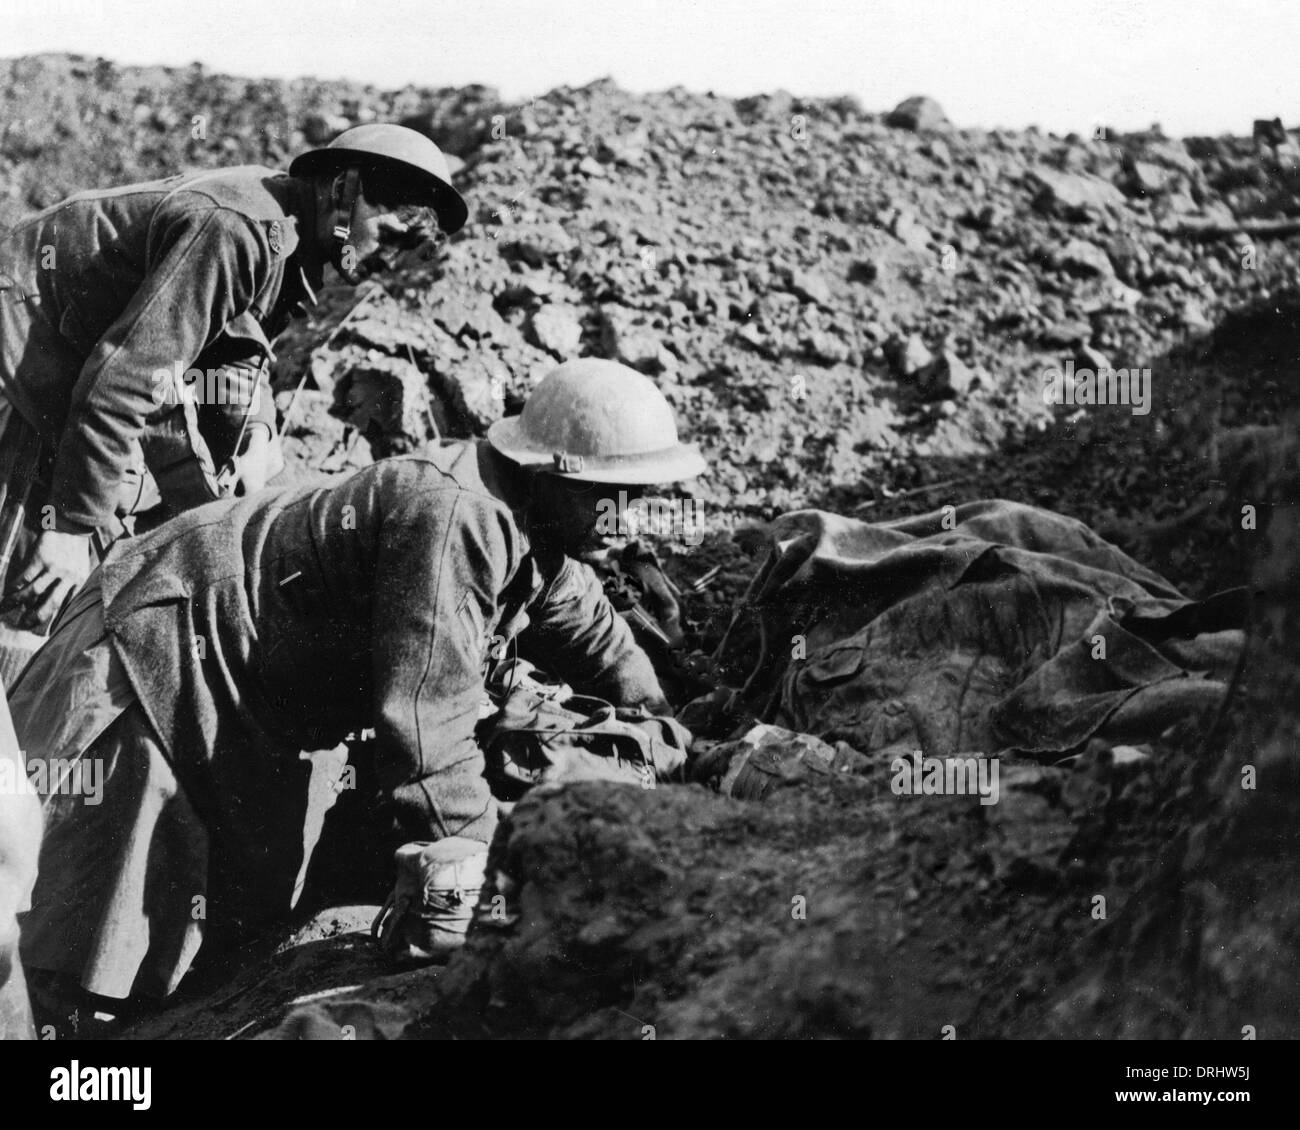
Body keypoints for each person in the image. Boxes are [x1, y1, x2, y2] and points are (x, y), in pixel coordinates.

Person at [10, 358, 706, 1027]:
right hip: (158, 648)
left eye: (637, 501)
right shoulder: (458, 515)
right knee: (97, 933)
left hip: (253, 690)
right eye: (610, 500)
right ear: (554, 474)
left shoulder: (536, 521)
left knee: (247, 913)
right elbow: (426, 726)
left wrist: (679, 739)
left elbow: (595, 636)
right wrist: (488, 885)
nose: (627, 523)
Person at [0, 123, 467, 646]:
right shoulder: (238, 230)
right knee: (34, 599)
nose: (389, 260)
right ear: (343, 191)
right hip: (23, 347)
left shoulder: (294, 243)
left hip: (75, 355)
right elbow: (125, 380)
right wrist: (69, 525)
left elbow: (238, 352)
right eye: (390, 236)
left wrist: (256, 439)